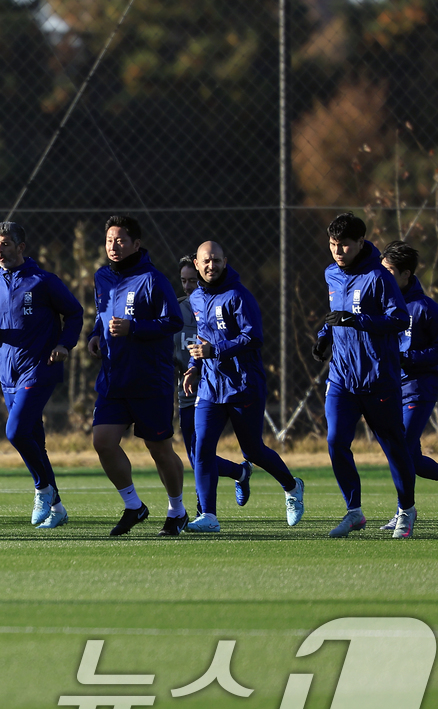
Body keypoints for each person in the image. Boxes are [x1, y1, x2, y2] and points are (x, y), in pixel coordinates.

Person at [181, 241, 304, 532]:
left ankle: (291, 486)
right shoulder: (197, 298)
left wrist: (216, 351)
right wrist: (194, 367)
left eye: (216, 260)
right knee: (201, 448)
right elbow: (202, 340)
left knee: (253, 451)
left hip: (242, 385)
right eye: (205, 261)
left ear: (225, 261)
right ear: (197, 265)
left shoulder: (239, 296)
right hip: (211, 387)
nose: (211, 266)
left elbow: (254, 337)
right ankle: (209, 516)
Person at [0, 221, 83, 529]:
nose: (0, 250)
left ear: (21, 247)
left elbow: (74, 312)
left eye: (6, 244)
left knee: (15, 432)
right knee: (33, 438)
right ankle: (57, 508)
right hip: (9, 372)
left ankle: (43, 489)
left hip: (39, 367)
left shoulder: (43, 280)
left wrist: (64, 344)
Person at [315, 212, 419, 538]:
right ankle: (354, 511)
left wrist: (358, 321)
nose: (338, 251)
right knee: (335, 442)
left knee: (393, 445)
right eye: (333, 245)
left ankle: (406, 509)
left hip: (377, 378)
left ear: (361, 242)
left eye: (344, 245)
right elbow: (337, 315)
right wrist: (324, 335)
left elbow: (400, 319)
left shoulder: (379, 277)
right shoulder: (331, 274)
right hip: (342, 378)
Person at [86, 215, 189, 536]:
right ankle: (134, 505)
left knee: (158, 449)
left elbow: (173, 322)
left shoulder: (153, 279)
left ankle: (177, 510)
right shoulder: (101, 277)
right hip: (114, 379)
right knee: (102, 442)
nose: (113, 247)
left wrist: (135, 328)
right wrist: (94, 335)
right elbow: (102, 317)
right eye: (108, 241)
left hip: (149, 381)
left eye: (119, 241)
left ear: (136, 244)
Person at [378, 240, 438, 530]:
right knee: (407, 455)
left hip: (418, 389)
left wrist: (407, 358)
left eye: (389, 271)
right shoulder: (382, 305)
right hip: (388, 388)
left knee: (402, 450)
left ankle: (403, 512)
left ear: (405, 274)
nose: (382, 277)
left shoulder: (425, 308)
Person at [174, 254, 249, 515]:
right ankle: (239, 471)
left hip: (216, 389)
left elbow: (246, 337)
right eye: (183, 281)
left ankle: (204, 510)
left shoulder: (223, 303)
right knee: (197, 459)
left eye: (192, 281)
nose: (187, 286)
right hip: (188, 391)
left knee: (202, 455)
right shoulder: (176, 310)